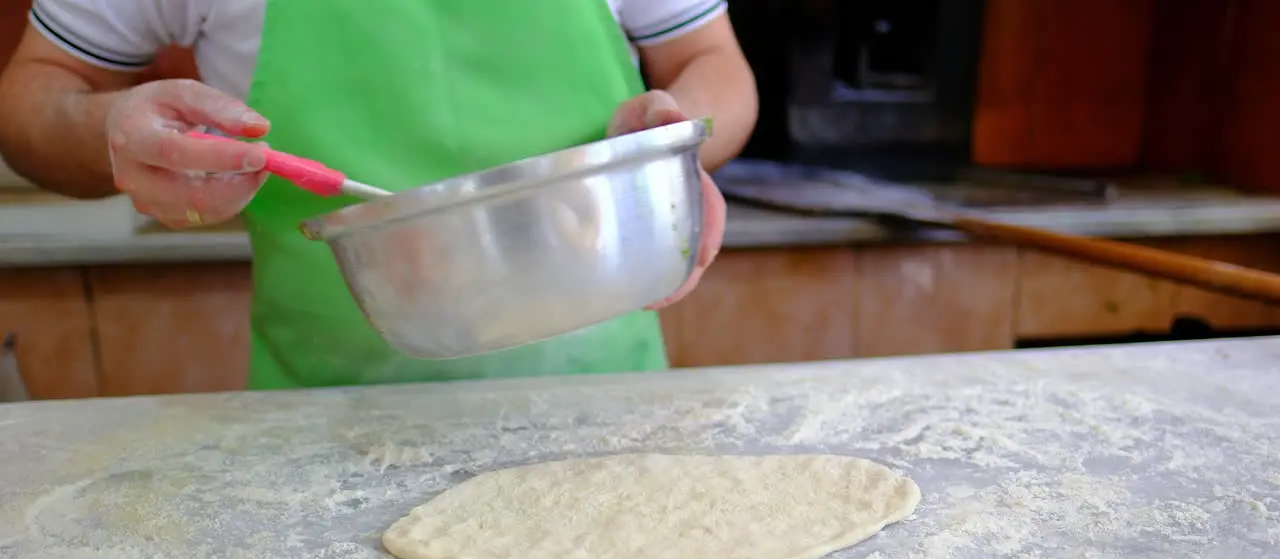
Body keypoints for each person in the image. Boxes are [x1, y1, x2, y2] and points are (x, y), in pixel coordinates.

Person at [0, 0, 758, 390]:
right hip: (327, 422)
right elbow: (33, 101)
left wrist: (678, 134)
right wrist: (109, 130)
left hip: (603, 399)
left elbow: (711, 60)